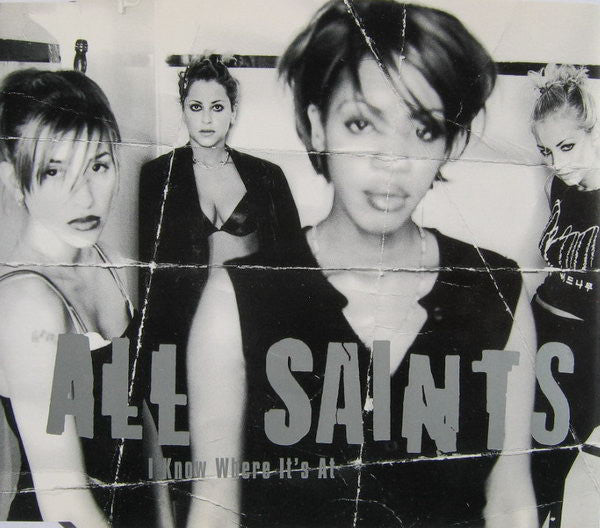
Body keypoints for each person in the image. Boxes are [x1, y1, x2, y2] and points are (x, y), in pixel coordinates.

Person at [186, 2, 538, 527]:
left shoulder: (498, 291)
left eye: (423, 130)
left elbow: (511, 502)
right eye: (361, 122)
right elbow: (214, 512)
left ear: (449, 144)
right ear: (318, 127)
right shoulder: (235, 300)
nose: (392, 159)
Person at [138, 54, 302, 521]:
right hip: (181, 340)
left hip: (253, 337)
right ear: (183, 110)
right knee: (189, 463)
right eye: (196, 107)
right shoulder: (158, 175)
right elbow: (151, 275)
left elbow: (295, 270)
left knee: (252, 460)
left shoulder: (267, 176)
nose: (206, 119)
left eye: (217, 107)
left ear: (233, 111)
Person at [0, 69, 161, 527]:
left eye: (98, 165)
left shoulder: (109, 262)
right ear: (14, 180)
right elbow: (64, 503)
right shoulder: (26, 303)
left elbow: (141, 418)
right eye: (55, 171)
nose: (85, 196)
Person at [528, 63, 600, 526]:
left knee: (550, 464)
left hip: (580, 354)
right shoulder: (560, 184)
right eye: (546, 151)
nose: (557, 162)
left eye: (567, 146)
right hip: (537, 329)